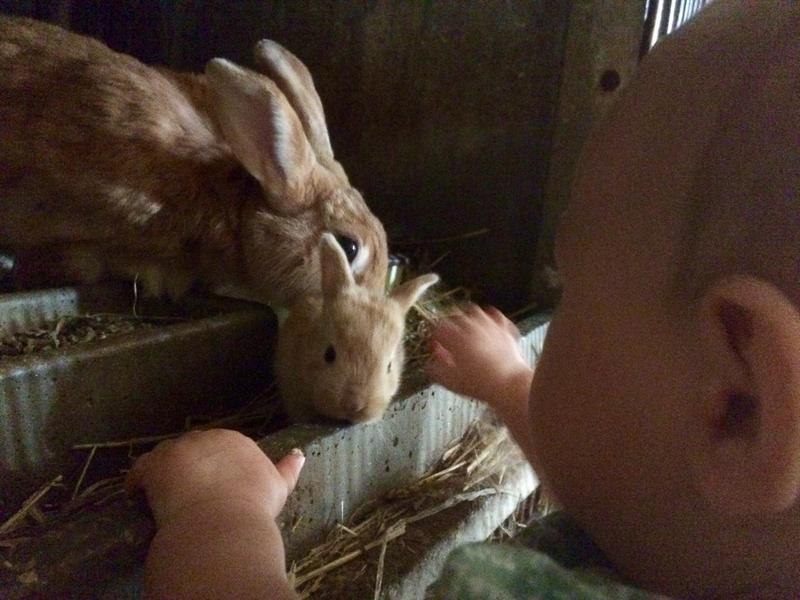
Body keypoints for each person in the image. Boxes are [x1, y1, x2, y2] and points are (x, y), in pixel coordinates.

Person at [126, 1, 800, 598]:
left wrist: (218, 521)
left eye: (568, 289)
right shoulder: (703, 545)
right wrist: (511, 384)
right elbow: (623, 490)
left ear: (737, 408)